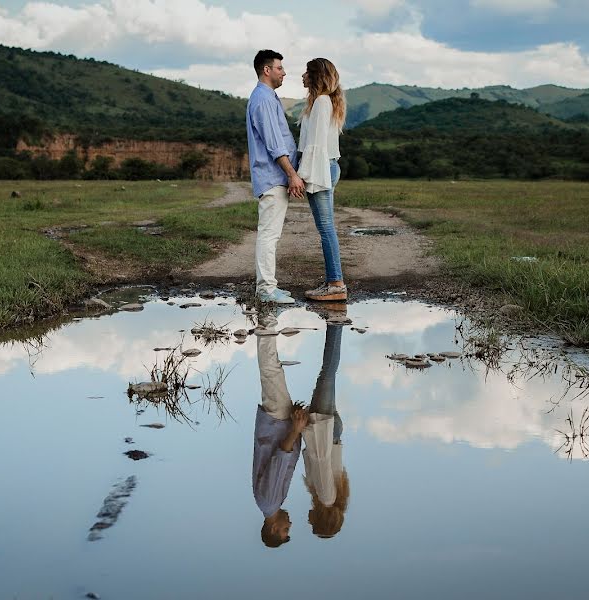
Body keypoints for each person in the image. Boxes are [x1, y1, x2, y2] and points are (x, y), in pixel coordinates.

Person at [246, 49, 304, 305]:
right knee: (269, 234)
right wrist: (292, 174)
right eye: (280, 68)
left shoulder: (267, 97)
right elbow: (274, 144)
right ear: (267, 70)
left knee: (271, 234)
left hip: (274, 177)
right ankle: (266, 290)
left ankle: (268, 287)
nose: (284, 72)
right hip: (272, 177)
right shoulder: (264, 99)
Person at [253, 314, 309, 547]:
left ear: (273, 528)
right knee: (273, 372)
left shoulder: (270, 502)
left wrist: (295, 430)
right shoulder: (267, 503)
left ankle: (266, 320)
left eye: (285, 530)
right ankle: (266, 322)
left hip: (276, 423)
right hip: (276, 424)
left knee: (271, 371)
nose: (290, 525)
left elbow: (279, 460)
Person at [297, 58, 347, 302]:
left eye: (307, 72)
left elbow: (315, 145)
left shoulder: (321, 102)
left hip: (321, 167)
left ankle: (336, 283)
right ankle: (333, 281)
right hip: (325, 166)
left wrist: (301, 176)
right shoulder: (323, 101)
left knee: (326, 228)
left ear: (316, 76)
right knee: (326, 227)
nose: (302, 76)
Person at [301, 323, 350, 538]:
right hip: (324, 431)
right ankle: (336, 323)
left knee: (328, 375)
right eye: (313, 526)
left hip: (332, 432)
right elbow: (320, 459)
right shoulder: (326, 497)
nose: (307, 522)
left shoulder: (335, 497)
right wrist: (307, 428)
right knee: (327, 373)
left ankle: (336, 325)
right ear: (321, 519)